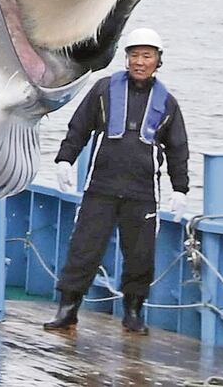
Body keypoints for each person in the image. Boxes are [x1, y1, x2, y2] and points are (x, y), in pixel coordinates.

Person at [44, 27, 189, 334]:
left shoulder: (168, 103)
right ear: (126, 58)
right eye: (134, 55)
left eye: (147, 56)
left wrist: (180, 188)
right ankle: (68, 310)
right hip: (101, 188)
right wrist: (64, 158)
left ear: (158, 61)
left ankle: (133, 312)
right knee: (84, 249)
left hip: (143, 192)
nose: (140, 61)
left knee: (139, 256)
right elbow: (79, 126)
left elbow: (178, 148)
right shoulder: (104, 89)